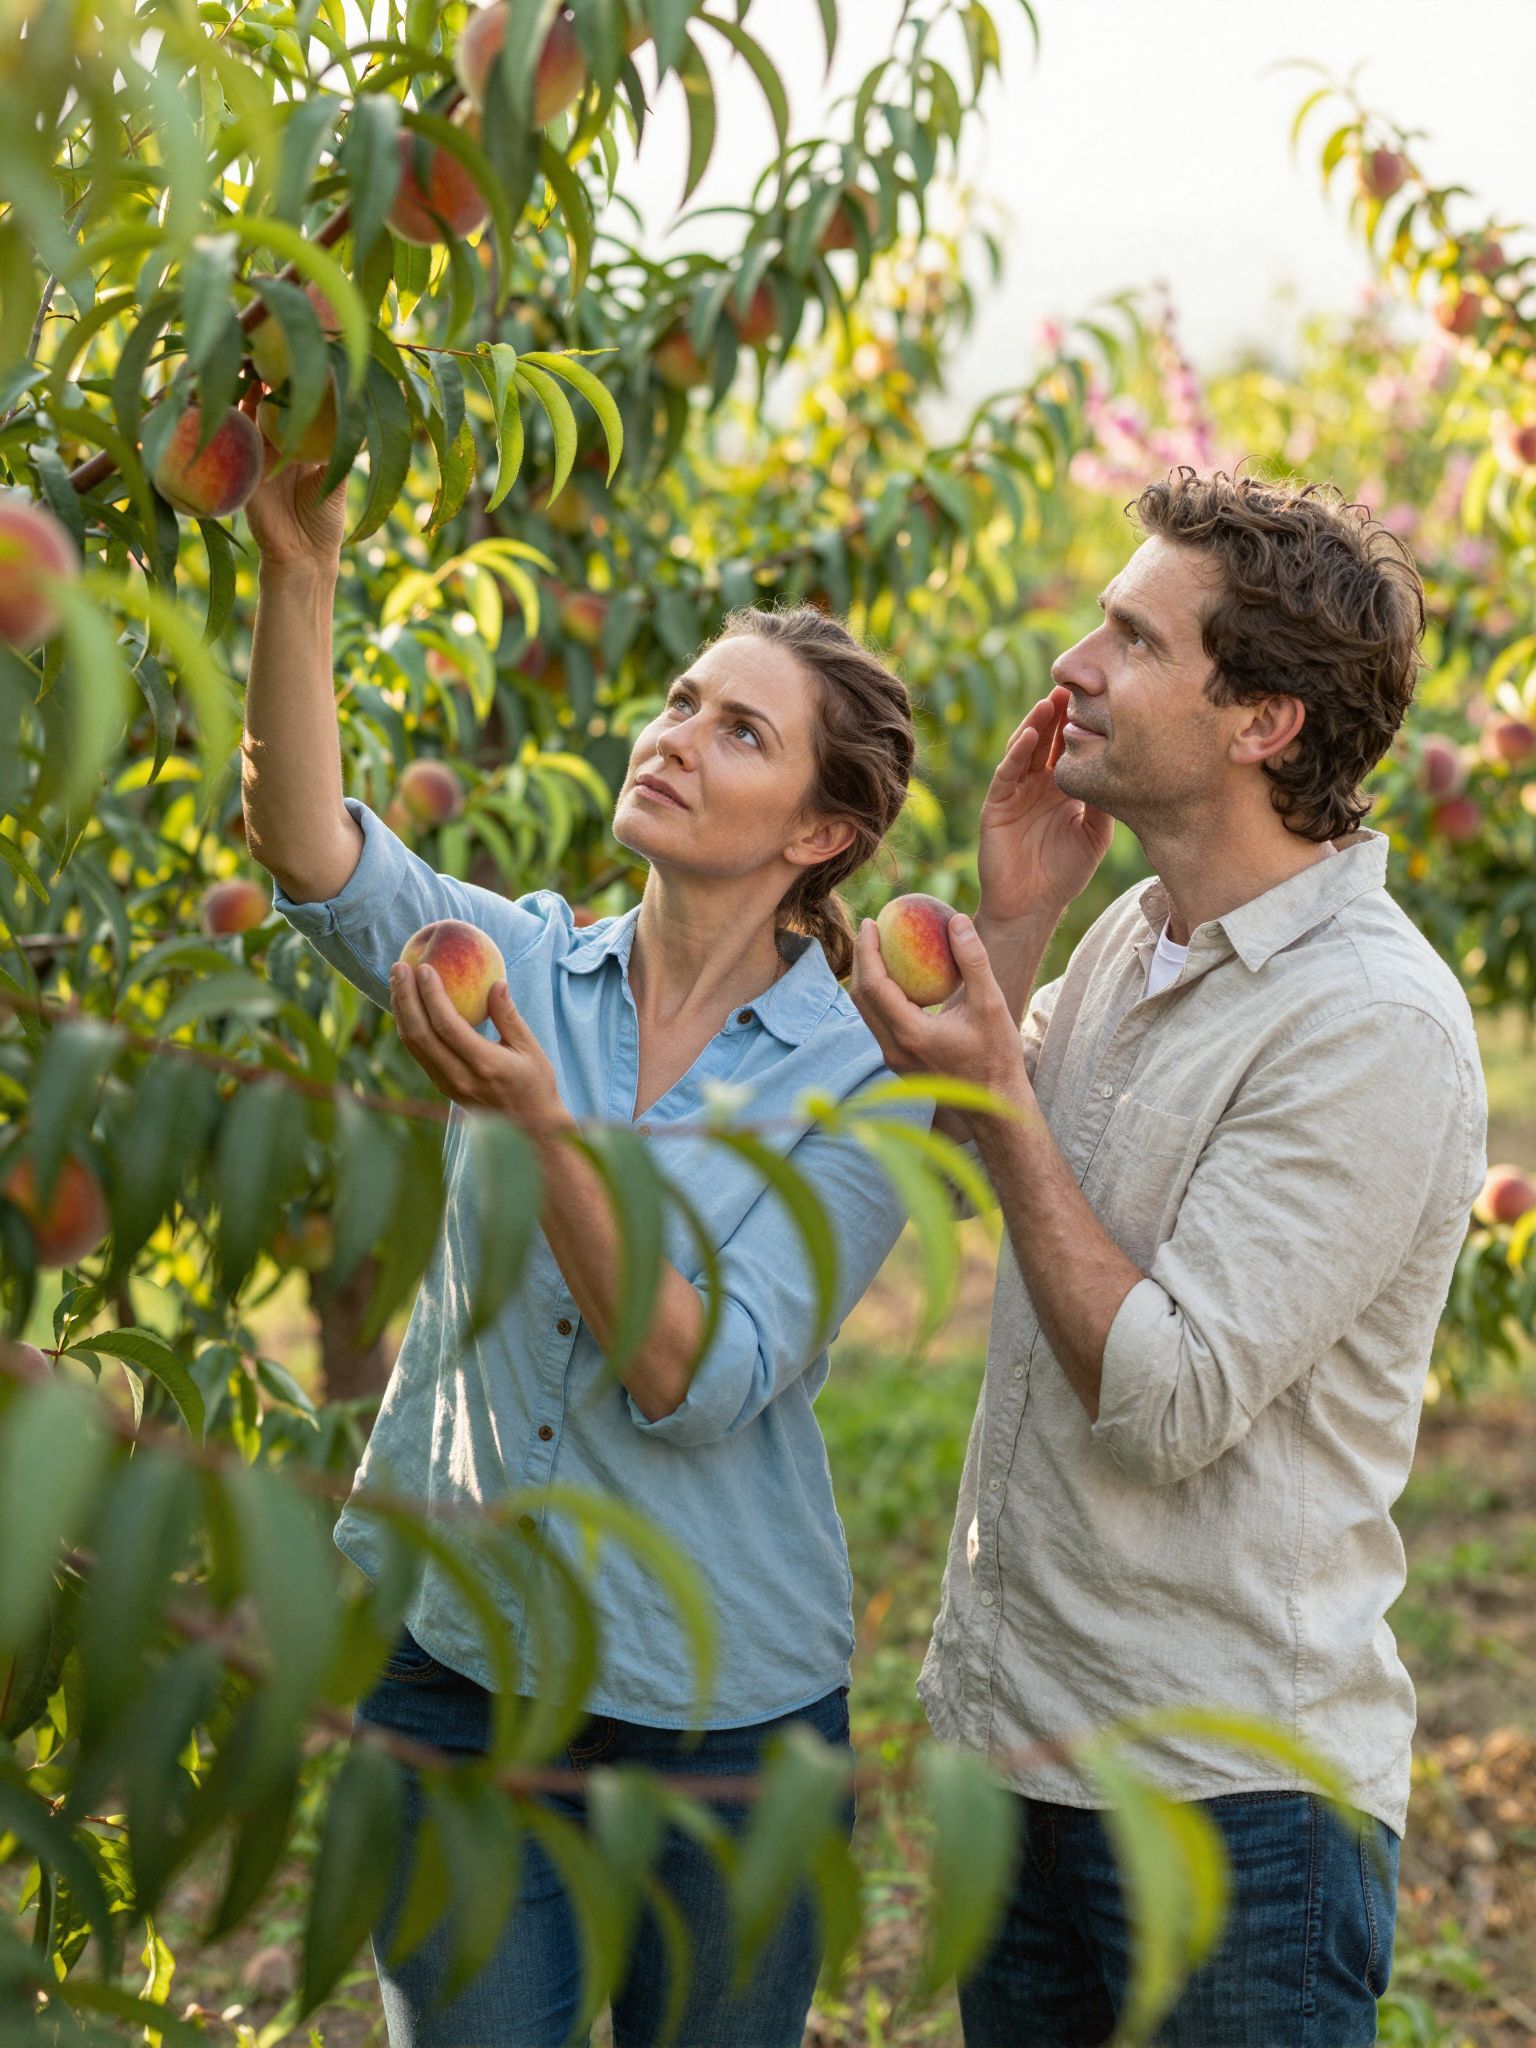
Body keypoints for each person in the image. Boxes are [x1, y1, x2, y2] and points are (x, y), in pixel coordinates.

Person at [238, 455, 1003, 2047]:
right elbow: (312, 850)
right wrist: (298, 566)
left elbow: (697, 1376)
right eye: (678, 701)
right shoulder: (515, 958)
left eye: (741, 731)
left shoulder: (866, 1069)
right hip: (461, 1668)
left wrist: (537, 1134)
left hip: (720, 1721)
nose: (672, 738)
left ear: (823, 830)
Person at [850, 467, 1489, 2048]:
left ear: (1263, 720)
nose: (1072, 662)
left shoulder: (1369, 1026)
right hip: (1030, 1761)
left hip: (1229, 1821)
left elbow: (1164, 1398)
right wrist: (1012, 922)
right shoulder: (1138, 934)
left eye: (1132, 638)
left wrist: (1003, 1098)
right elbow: (939, 1152)